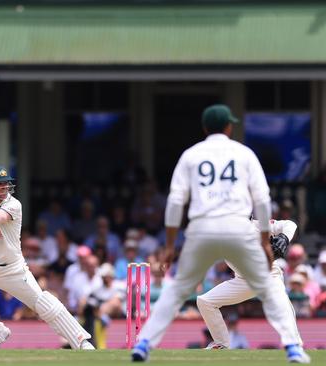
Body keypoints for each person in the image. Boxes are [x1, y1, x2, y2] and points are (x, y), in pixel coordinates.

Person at [130, 104, 310, 363]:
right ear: (229, 127)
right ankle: (292, 348)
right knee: (270, 292)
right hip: (238, 228)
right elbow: (261, 198)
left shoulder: (191, 154)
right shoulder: (243, 153)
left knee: (178, 288)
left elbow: (175, 200)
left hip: (203, 228)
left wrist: (170, 244)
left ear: (204, 128)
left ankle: (144, 343)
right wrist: (263, 241)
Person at [0, 165, 94, 350]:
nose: (5, 188)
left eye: (6, 184)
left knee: (44, 304)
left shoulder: (13, 205)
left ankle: (81, 341)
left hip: (13, 268)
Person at [196, 219, 304, 350]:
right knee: (205, 301)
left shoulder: (257, 225)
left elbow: (290, 224)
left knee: (282, 304)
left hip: (268, 276)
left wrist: (284, 237)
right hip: (243, 281)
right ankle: (221, 343)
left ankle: (296, 344)